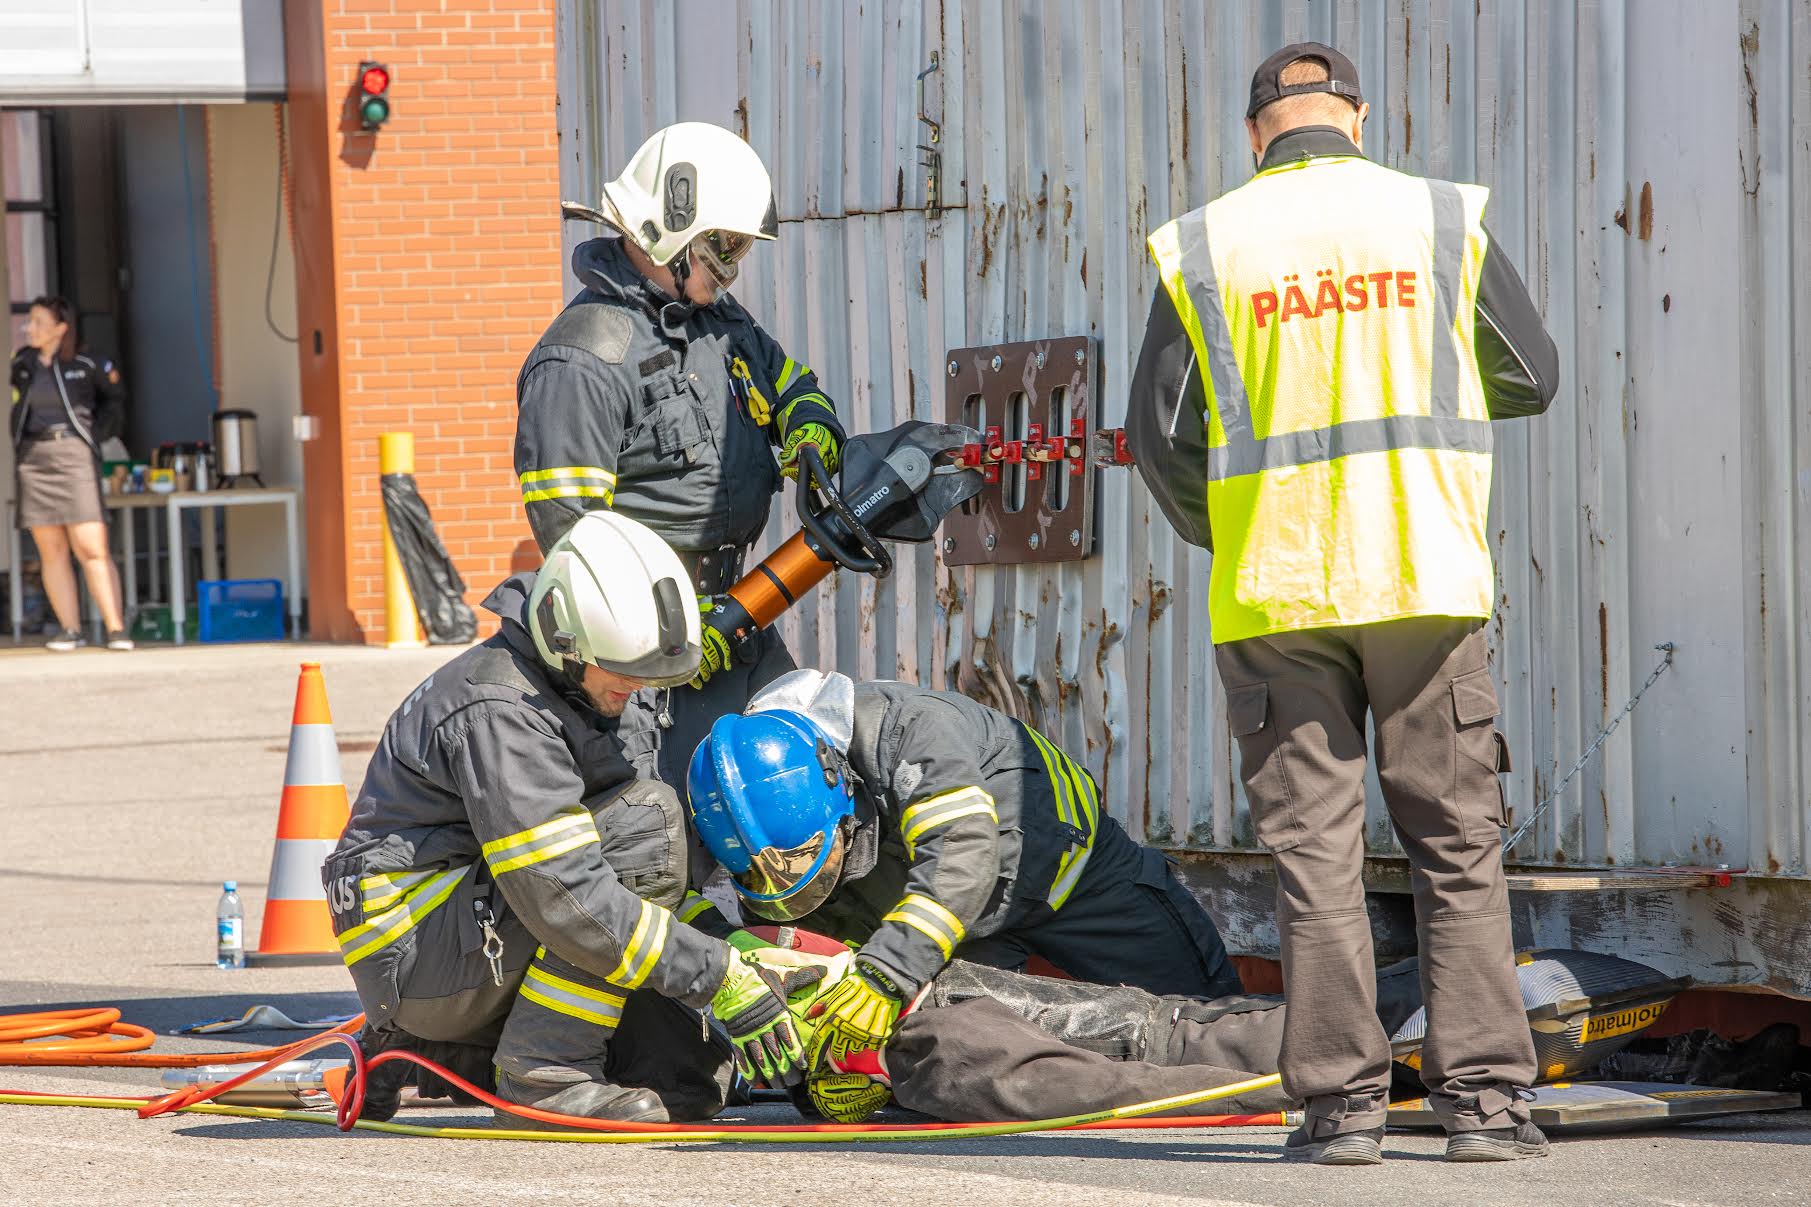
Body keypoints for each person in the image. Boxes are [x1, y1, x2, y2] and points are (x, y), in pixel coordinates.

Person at [1124, 43, 1561, 1165]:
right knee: (1456, 848)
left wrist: (1235, 527)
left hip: (1272, 598)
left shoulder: (1207, 243)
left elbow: (1160, 440)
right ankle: (1484, 1108)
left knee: (1313, 861)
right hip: (1421, 577)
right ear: (1356, 120)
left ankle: (1339, 1114)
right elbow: (1529, 371)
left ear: (1252, 134)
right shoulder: (1433, 219)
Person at [323, 512, 822, 1128]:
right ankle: (544, 1076)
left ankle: (427, 1050)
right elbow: (568, 894)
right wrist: (716, 976)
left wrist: (731, 947)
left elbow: (634, 888)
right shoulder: (501, 712)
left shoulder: (572, 685)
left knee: (684, 1080)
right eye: (626, 669)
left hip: (446, 945)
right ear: (564, 638)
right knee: (646, 826)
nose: (638, 687)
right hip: (420, 953)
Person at [686, 668, 1242, 1114]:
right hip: (951, 932)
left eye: (809, 857)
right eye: (764, 878)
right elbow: (821, 993)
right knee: (958, 1069)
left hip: (1078, 883)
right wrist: (829, 1079)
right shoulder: (749, 823)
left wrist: (887, 972)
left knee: (1206, 1020)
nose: (786, 886)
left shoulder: (912, 730)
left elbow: (962, 851)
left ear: (839, 787)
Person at [514, 121, 846, 801]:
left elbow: (796, 390)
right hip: (641, 653)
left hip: (738, 620)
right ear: (668, 227)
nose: (731, 270)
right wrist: (670, 633)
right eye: (723, 248)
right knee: (661, 833)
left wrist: (810, 441)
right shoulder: (584, 358)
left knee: (796, 802)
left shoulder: (721, 328)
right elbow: (574, 541)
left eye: (739, 252)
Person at [9, 296, 131, 651]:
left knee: (91, 546)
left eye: (37, 322)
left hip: (74, 455)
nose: (30, 328)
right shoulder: (24, 363)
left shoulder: (86, 362)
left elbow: (114, 398)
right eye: (28, 321)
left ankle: (116, 629)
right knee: (52, 549)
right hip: (34, 457)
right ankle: (70, 629)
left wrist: (98, 434)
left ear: (60, 328)